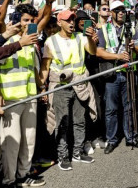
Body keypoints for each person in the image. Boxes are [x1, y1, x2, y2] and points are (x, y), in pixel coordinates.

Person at [0, 3, 47, 188]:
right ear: (17, 21)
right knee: (11, 143)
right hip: (11, 99)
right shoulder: (8, 42)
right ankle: (9, 181)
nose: (29, 24)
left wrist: (41, 89)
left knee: (29, 139)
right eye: (25, 21)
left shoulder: (31, 43)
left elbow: (33, 71)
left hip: (30, 97)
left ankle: (23, 174)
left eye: (32, 21)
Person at [40, 10, 98, 170]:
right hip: (61, 86)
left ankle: (78, 152)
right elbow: (45, 66)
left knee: (80, 121)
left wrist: (90, 38)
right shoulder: (50, 41)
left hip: (80, 84)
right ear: (59, 23)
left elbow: (92, 52)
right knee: (62, 124)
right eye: (67, 20)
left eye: (73, 20)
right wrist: (41, 86)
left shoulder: (81, 37)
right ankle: (62, 156)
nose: (72, 23)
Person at [96, 0, 138, 153]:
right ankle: (112, 140)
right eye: (118, 10)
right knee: (111, 109)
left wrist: (134, 47)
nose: (122, 12)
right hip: (113, 74)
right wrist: (117, 56)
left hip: (130, 73)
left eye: (123, 10)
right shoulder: (104, 30)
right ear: (112, 13)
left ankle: (131, 137)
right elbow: (99, 52)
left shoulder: (131, 29)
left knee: (130, 107)